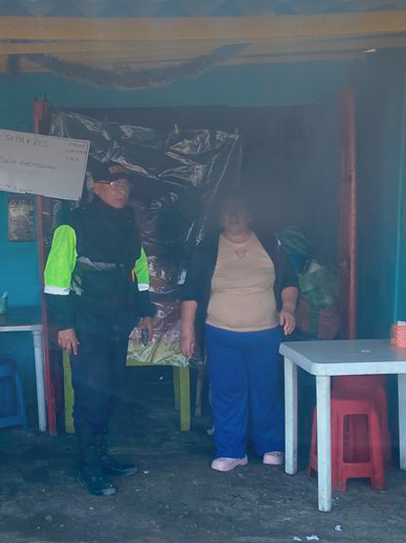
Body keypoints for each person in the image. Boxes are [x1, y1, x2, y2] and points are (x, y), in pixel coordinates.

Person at [43, 161, 156, 496]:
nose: (121, 191)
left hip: (116, 323)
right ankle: (88, 466)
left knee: (110, 392)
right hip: (84, 324)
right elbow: (55, 281)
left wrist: (146, 312)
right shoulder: (72, 225)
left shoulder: (127, 224)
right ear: (95, 187)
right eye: (113, 184)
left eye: (125, 186)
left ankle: (101, 454)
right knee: (91, 395)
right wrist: (64, 324)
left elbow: (140, 269)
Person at [179, 191, 298, 472]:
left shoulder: (270, 244)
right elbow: (192, 292)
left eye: (239, 211)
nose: (234, 216)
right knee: (226, 392)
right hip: (222, 334)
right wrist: (187, 330)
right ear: (220, 218)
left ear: (250, 216)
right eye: (228, 212)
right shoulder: (207, 248)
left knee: (266, 390)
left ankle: (271, 446)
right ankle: (231, 451)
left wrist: (289, 308)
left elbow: (290, 281)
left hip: (266, 334)